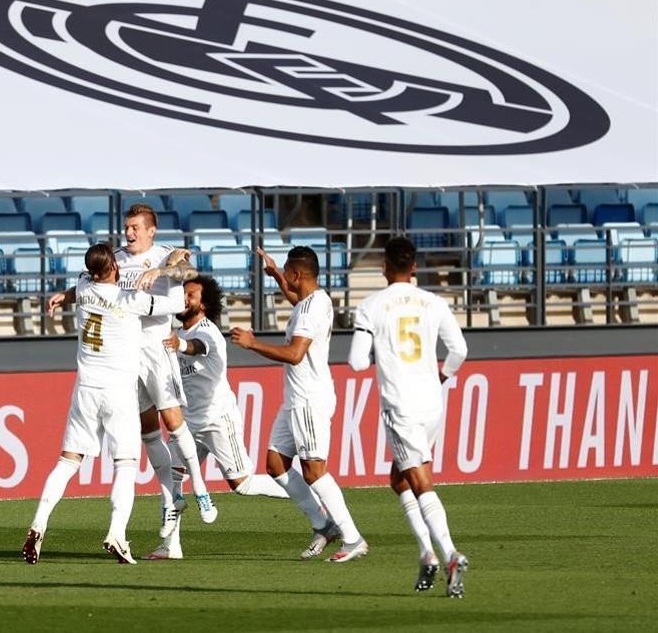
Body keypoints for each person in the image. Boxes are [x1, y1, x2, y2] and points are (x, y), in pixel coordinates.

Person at [47, 203, 215, 541]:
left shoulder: (168, 254)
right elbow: (89, 284)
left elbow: (189, 272)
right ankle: (172, 498)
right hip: (125, 354)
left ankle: (200, 488)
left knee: (172, 420)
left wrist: (162, 272)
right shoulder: (118, 259)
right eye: (127, 227)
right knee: (149, 432)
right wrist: (62, 298)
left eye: (136, 227)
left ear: (151, 230)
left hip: (157, 348)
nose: (130, 233)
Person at [24, 242, 189, 565]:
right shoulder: (130, 300)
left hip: (85, 388)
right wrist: (173, 267)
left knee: (68, 461)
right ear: (113, 267)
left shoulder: (84, 287)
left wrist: (65, 295)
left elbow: (82, 282)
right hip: (118, 392)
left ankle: (38, 523)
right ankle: (116, 533)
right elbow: (177, 302)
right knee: (125, 464)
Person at [230, 245, 368, 562]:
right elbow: (296, 301)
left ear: (298, 274)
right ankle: (323, 525)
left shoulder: (308, 310)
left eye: (288, 274)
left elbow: (295, 354)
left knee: (314, 470)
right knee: (276, 464)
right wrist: (277, 274)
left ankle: (353, 537)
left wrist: (252, 344)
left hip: (309, 399)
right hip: (297, 399)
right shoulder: (315, 300)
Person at [348, 236, 469, 596]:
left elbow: (356, 362)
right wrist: (442, 375)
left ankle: (449, 553)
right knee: (399, 480)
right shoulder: (433, 302)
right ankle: (426, 554)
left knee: (419, 482)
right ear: (414, 267)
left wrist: (380, 357)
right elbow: (459, 350)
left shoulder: (371, 305)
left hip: (400, 404)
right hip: (433, 402)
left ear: (384, 267)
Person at [148, 275, 289, 560]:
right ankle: (171, 546)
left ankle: (305, 493)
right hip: (188, 423)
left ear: (205, 304)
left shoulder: (208, 332)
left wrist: (182, 346)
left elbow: (198, 346)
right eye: (183, 294)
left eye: (191, 295)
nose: (184, 299)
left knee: (242, 485)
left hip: (217, 419)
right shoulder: (176, 332)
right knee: (172, 482)